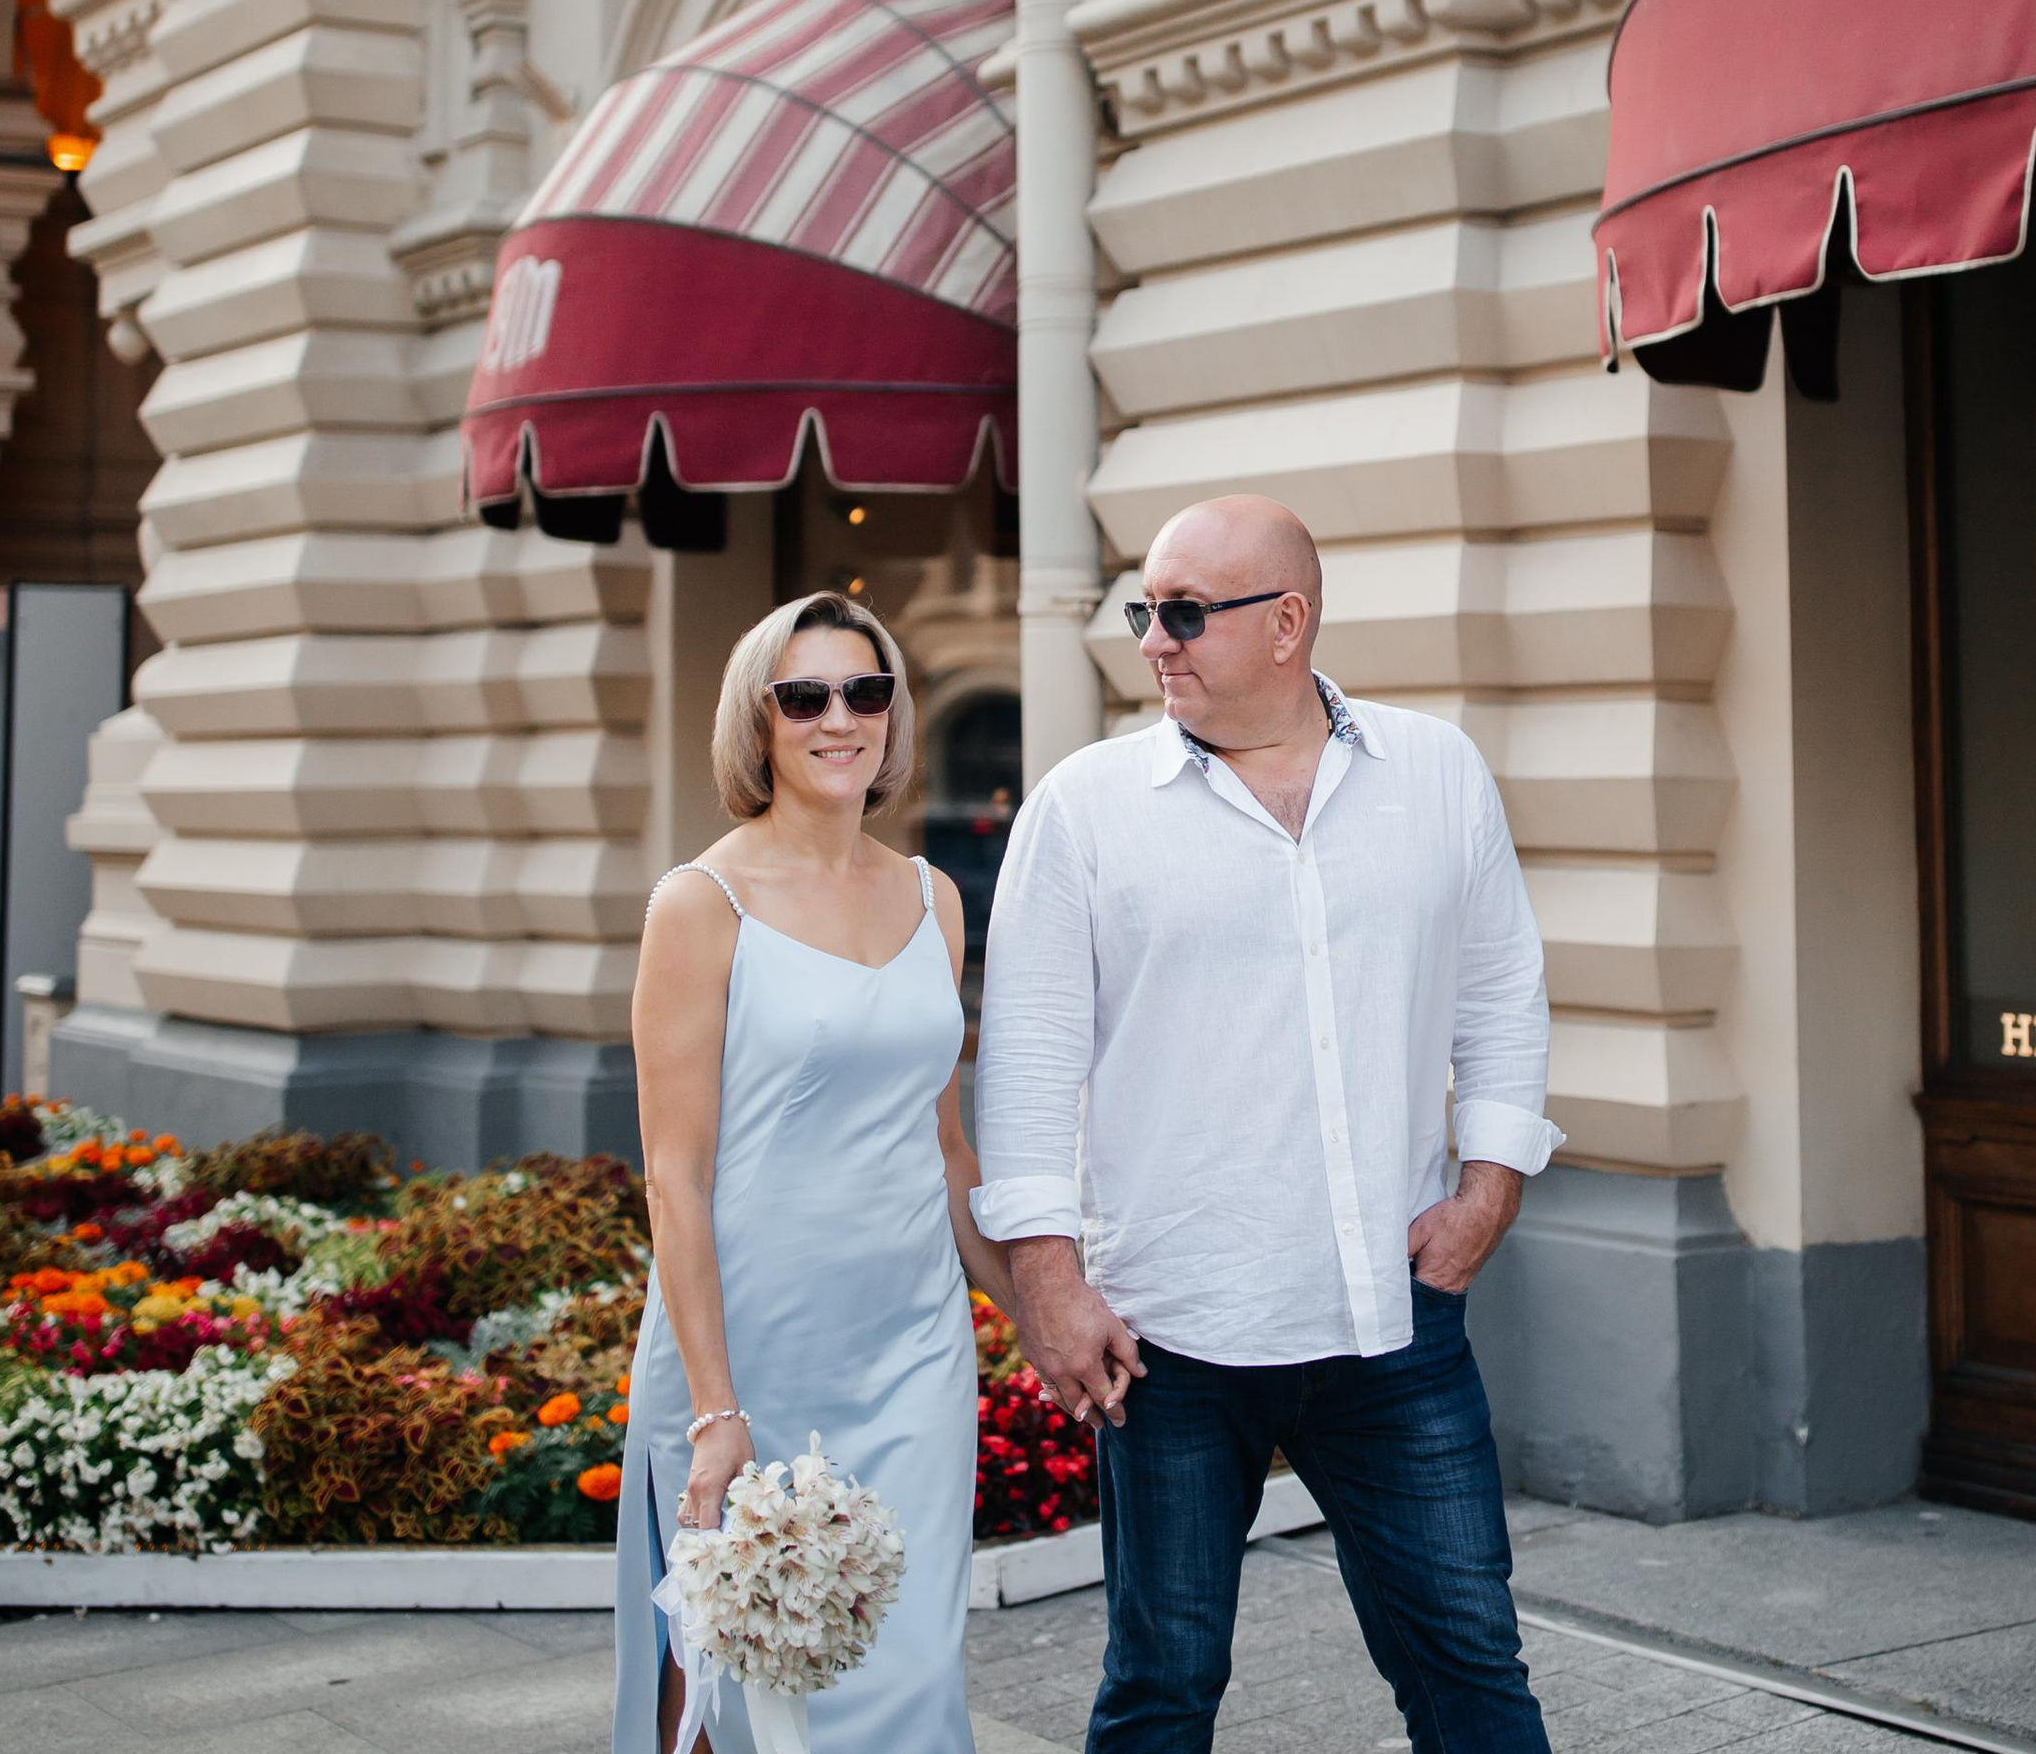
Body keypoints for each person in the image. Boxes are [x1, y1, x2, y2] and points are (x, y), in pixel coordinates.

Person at [974, 493, 1564, 1752]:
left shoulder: (1435, 772)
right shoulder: (1084, 808)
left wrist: (1490, 1186)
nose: (1154, 640)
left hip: (1390, 1324)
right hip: (1170, 1337)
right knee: (1162, 1685)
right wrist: (1047, 1281)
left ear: (1288, 621)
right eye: (1146, 610)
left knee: (1471, 1665)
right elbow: (1025, 1065)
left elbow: (1502, 991)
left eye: (1184, 612)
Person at [615, 591, 1012, 1754]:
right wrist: (714, 1409)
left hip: (914, 1352)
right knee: (734, 1688)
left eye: (867, 689)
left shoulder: (933, 896)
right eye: (807, 696)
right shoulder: (700, 903)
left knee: (912, 1672)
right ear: (762, 722)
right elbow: (672, 1179)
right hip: (750, 1354)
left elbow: (944, 1152)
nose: (841, 718)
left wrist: (1040, 1313)